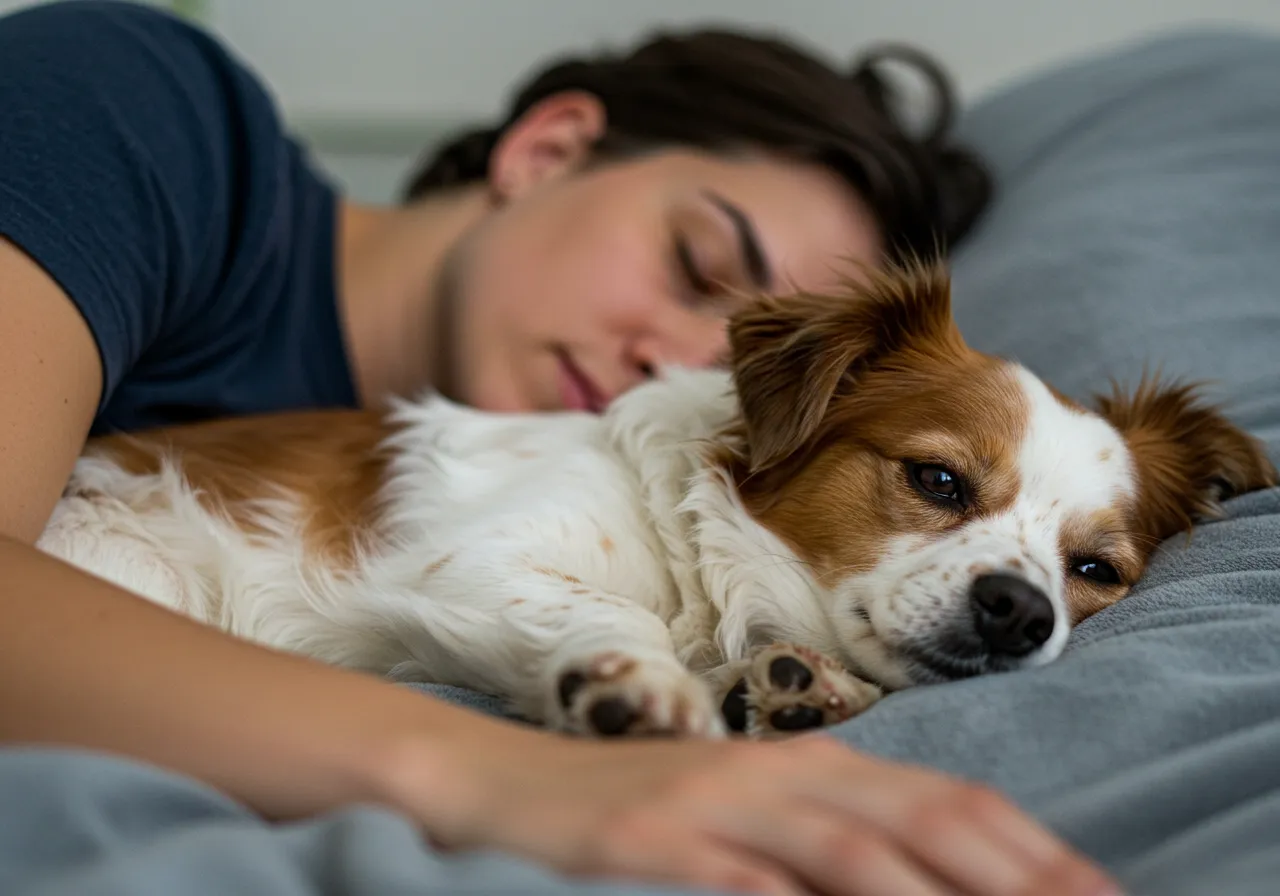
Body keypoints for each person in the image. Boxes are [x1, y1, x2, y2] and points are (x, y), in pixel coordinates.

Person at [0, 2, 1120, 895]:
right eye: (696, 265)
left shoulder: (591, 502)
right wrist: (497, 777)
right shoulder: (143, 108)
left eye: (745, 360)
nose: (685, 365)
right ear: (548, 148)